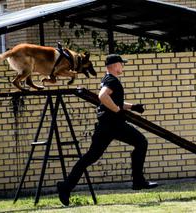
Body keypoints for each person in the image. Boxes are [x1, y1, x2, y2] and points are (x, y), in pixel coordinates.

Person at [57, 54, 158, 206]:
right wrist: (117, 110)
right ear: (115, 65)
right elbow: (103, 96)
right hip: (113, 124)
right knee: (141, 142)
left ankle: (65, 186)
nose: (122, 66)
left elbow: (111, 99)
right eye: (121, 64)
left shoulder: (107, 79)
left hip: (106, 125)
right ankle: (138, 181)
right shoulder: (112, 79)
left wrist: (132, 107)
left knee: (91, 157)